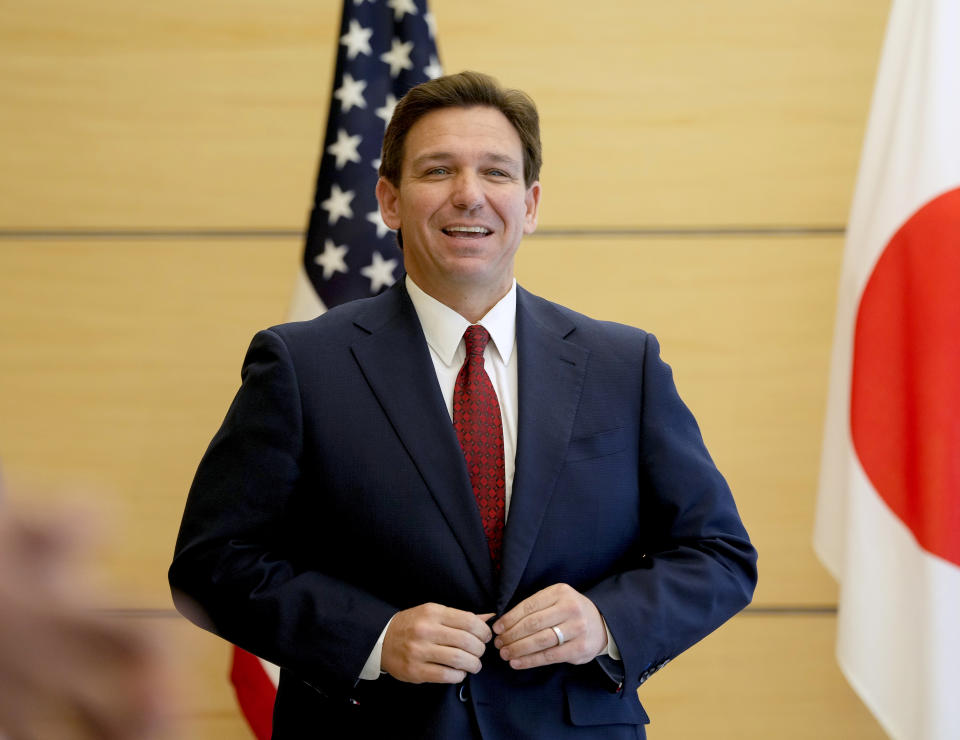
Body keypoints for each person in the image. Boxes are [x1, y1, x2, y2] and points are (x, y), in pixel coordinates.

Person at [170, 71, 757, 739]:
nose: (468, 195)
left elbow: (718, 553)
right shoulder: (301, 366)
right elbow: (212, 563)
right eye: (438, 170)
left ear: (531, 204)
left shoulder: (626, 366)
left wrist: (606, 622)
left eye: (496, 173)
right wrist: (374, 638)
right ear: (389, 200)